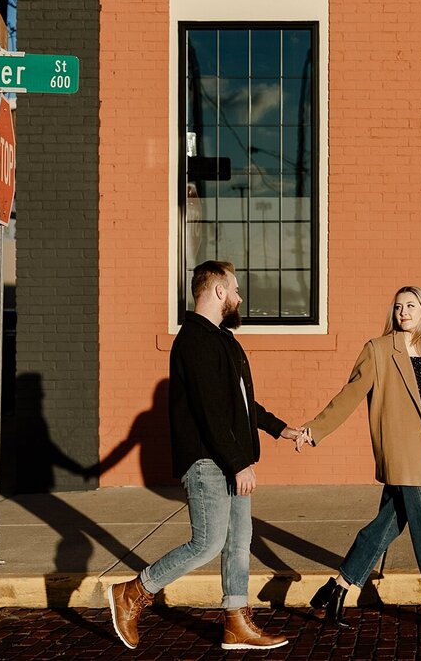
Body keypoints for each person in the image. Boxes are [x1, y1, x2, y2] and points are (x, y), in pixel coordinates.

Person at [108, 260, 303, 651]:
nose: (239, 296)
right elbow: (209, 411)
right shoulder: (194, 340)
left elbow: (241, 405)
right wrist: (238, 462)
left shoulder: (224, 341)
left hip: (231, 459)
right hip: (208, 462)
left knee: (238, 541)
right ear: (217, 291)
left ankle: (236, 623)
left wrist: (281, 428)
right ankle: (134, 591)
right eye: (235, 289)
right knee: (209, 542)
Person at [299, 285, 421, 629]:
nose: (403, 312)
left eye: (410, 305)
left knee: (389, 523)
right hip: (402, 450)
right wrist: (315, 429)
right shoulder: (377, 350)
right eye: (398, 306)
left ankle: (337, 589)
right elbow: (349, 395)